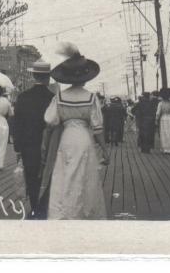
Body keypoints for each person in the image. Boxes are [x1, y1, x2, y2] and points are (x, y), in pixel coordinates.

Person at [38, 42, 109, 220]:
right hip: (84, 138)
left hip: (67, 138)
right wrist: (105, 149)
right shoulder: (91, 97)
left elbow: (50, 120)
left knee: (64, 174)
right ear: (85, 77)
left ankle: (63, 212)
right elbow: (97, 126)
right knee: (84, 176)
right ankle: (83, 211)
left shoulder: (59, 97)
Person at [12, 59, 54, 219]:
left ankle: (35, 208)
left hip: (28, 146)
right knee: (46, 176)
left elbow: (17, 124)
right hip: (48, 145)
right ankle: (43, 209)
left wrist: (17, 147)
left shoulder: (23, 97)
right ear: (48, 77)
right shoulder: (53, 98)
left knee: (30, 177)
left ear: (34, 76)